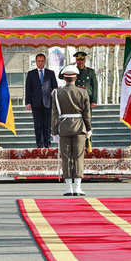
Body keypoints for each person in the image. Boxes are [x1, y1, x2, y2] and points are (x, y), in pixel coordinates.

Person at [51, 65, 92, 196]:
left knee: (66, 157)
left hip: (63, 127)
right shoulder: (83, 92)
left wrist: (54, 131)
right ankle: (78, 187)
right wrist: (89, 128)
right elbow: (87, 113)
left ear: (64, 78)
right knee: (79, 157)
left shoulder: (57, 93)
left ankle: (69, 187)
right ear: (75, 77)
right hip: (80, 127)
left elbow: (55, 113)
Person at [25, 53, 58, 148]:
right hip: (35, 103)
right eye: (38, 61)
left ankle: (47, 146)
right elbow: (28, 89)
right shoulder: (31, 74)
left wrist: (55, 102)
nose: (40, 63)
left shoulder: (50, 73)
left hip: (48, 103)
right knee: (38, 126)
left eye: (42, 61)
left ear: (45, 62)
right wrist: (28, 102)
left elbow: (55, 88)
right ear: (36, 62)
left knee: (47, 126)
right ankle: (39, 146)